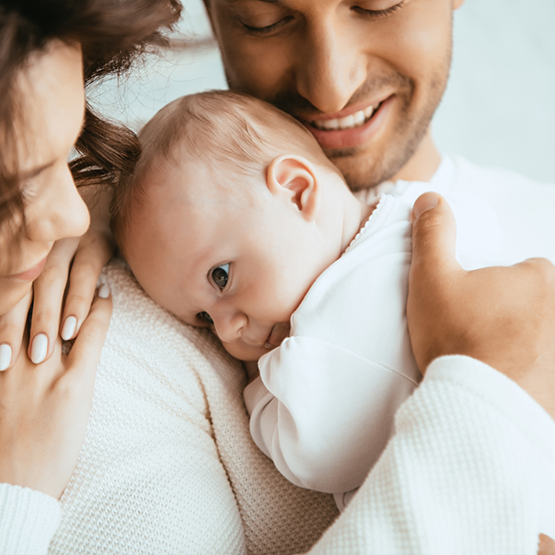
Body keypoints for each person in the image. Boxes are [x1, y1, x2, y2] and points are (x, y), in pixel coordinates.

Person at [1, 0, 555, 554]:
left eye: (377, 4)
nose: (332, 87)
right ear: (212, 15)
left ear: (297, 189)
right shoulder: (102, 314)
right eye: (264, 20)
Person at [115, 89, 531, 515]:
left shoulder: (317, 341)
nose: (225, 330)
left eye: (220, 277)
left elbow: (316, 458)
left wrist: (258, 392)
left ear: (297, 192)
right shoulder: (417, 209)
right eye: (203, 317)